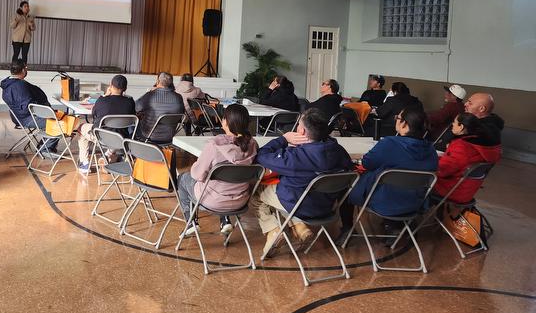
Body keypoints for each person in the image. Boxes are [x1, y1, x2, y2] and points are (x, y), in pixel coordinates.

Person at [255, 108, 353, 256]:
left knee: (258, 191)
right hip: (327, 207)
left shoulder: (295, 157)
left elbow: (261, 156)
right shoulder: (339, 151)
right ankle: (300, 228)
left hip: (299, 205)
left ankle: (273, 230)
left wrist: (284, 139)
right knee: (288, 192)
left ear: (301, 132)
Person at [339, 106, 437, 240]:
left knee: (347, 183)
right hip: (413, 203)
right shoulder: (431, 150)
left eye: (398, 118)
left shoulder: (390, 143)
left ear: (404, 124)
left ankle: (347, 228)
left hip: (385, 202)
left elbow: (367, 163)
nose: (396, 120)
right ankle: (394, 224)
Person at [177, 104, 258, 237]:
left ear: (225, 121)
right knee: (226, 182)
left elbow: (197, 175)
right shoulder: (253, 145)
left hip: (213, 200)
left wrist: (196, 165)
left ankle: (191, 222)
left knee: (184, 178)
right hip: (241, 200)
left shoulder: (215, 145)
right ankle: (225, 220)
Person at [433, 112, 501, 204]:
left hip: (450, 189)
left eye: (454, 122)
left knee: (416, 180)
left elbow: (442, 170)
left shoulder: (462, 147)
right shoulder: (481, 145)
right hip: (467, 190)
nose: (452, 124)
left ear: (461, 127)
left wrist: (431, 159)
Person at [76, 74, 136, 174]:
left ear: (110, 86)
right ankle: (108, 155)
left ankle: (85, 163)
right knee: (114, 133)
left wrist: (105, 95)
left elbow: (94, 114)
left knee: (81, 128)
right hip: (121, 138)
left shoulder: (102, 100)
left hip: (101, 138)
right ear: (125, 88)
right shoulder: (130, 102)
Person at [0, 61, 58, 154]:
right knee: (58, 124)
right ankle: (45, 150)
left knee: (54, 119)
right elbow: (28, 107)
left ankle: (43, 146)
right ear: (23, 70)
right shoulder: (19, 86)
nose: (27, 70)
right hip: (26, 118)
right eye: (26, 68)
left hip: (17, 116)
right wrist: (47, 112)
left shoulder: (9, 83)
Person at [134, 72, 185, 144]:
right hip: (169, 137)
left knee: (133, 123)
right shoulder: (178, 97)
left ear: (158, 81)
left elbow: (135, 107)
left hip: (148, 136)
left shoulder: (150, 95)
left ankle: (132, 152)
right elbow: (181, 115)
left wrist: (149, 92)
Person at [10, 0, 36, 65]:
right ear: (21, 8)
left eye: (28, 6)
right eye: (25, 6)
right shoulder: (16, 16)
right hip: (17, 39)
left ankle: (23, 69)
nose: (27, 8)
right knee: (16, 54)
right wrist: (17, 20)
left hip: (26, 39)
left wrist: (32, 25)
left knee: (25, 56)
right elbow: (12, 26)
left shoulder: (30, 17)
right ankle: (14, 68)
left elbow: (33, 28)